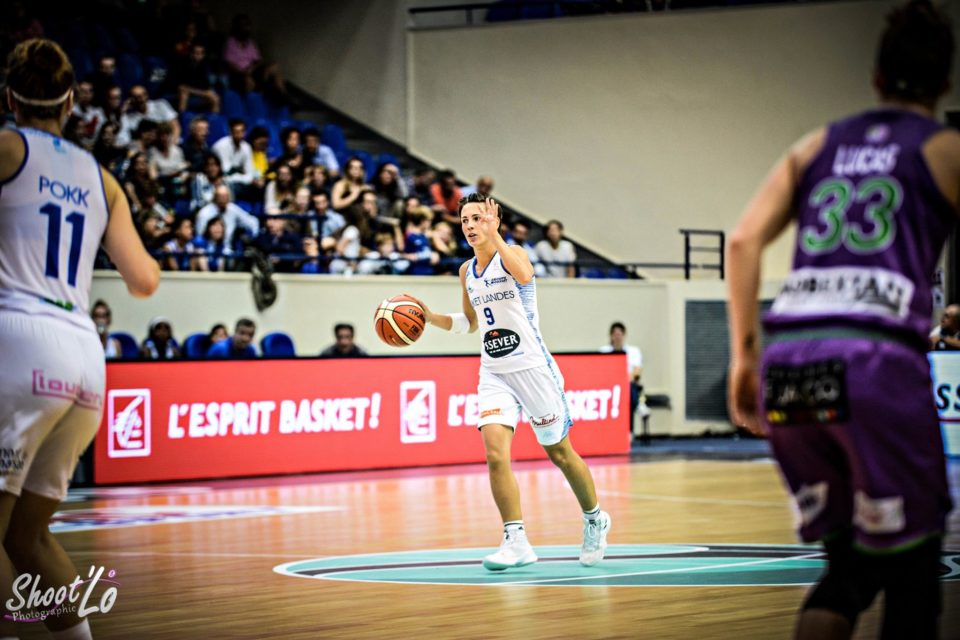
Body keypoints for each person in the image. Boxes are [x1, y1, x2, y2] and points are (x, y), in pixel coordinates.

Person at [726, 4, 956, 639]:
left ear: (877, 76)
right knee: (913, 580)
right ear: (944, 82)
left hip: (792, 361)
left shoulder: (818, 144)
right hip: (876, 359)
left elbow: (743, 242)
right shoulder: (944, 149)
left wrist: (745, 357)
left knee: (847, 570)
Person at [0, 39, 160, 640]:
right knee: (28, 534)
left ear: (10, 98)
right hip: (85, 359)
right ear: (70, 104)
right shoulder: (102, 177)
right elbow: (144, 281)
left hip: (18, 342)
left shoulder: (6, 146)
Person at [408, 194, 610, 571]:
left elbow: (525, 275)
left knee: (560, 454)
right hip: (494, 370)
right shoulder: (466, 271)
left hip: (533, 367)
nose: (470, 226)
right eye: (465, 220)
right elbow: (471, 323)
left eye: (477, 218)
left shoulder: (511, 253)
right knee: (495, 455)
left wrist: (496, 234)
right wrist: (431, 317)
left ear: (493, 219)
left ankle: (595, 518)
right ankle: (515, 540)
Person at [599, 322, 644, 436]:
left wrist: (623, 380)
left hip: (628, 384)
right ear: (611, 336)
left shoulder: (633, 351)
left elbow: (637, 371)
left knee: (629, 392)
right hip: (609, 386)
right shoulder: (603, 351)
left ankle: (629, 430)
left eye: (620, 334)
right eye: (615, 334)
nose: (617, 337)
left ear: (624, 335)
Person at [195, 184, 260, 245]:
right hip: (209, 250)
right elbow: (200, 235)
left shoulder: (232, 208)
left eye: (225, 196)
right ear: (215, 197)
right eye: (220, 196)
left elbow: (253, 222)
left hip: (227, 250)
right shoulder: (204, 213)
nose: (223, 199)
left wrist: (251, 238)